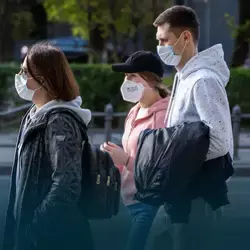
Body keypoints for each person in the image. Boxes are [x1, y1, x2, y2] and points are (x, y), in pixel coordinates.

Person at [152, 5, 233, 250]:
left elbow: (220, 141)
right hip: (182, 196)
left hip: (198, 198)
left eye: (164, 40)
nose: (160, 47)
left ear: (185, 37)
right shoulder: (184, 77)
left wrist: (174, 159)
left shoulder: (203, 80)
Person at [2, 42, 93, 250]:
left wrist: (35, 226)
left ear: (43, 79)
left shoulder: (60, 121)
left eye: (25, 71)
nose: (20, 76)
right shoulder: (34, 114)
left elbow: (66, 183)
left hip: (51, 238)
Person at [101, 51, 170, 250]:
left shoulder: (163, 117)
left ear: (150, 80)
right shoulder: (134, 111)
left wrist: (126, 160)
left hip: (150, 203)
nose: (126, 81)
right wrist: (112, 160)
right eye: (125, 76)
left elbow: (161, 170)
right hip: (131, 199)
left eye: (132, 76)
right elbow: (133, 154)